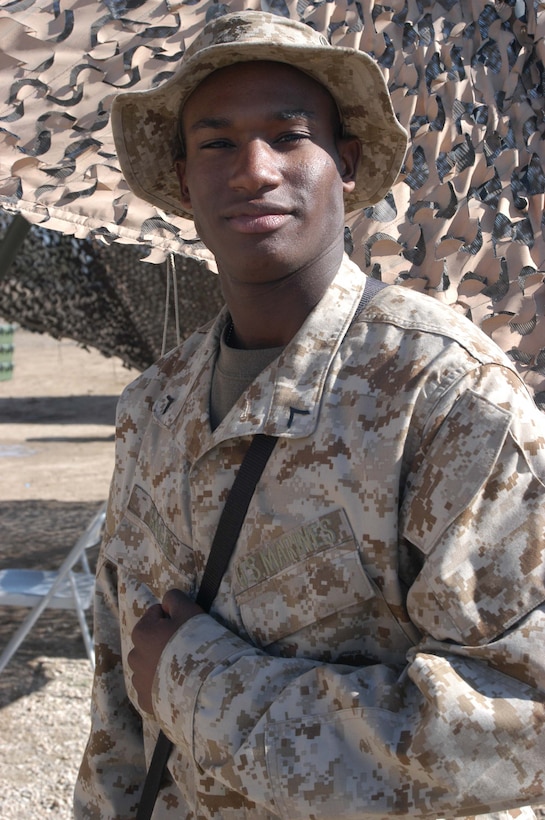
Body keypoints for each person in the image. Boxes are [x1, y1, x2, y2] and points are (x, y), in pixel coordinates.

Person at [75, 10, 545, 819]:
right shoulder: (154, 407)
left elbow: (519, 722)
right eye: (216, 142)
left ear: (348, 166)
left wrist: (203, 683)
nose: (254, 170)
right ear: (184, 182)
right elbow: (123, 700)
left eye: (288, 136)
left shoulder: (443, 396)